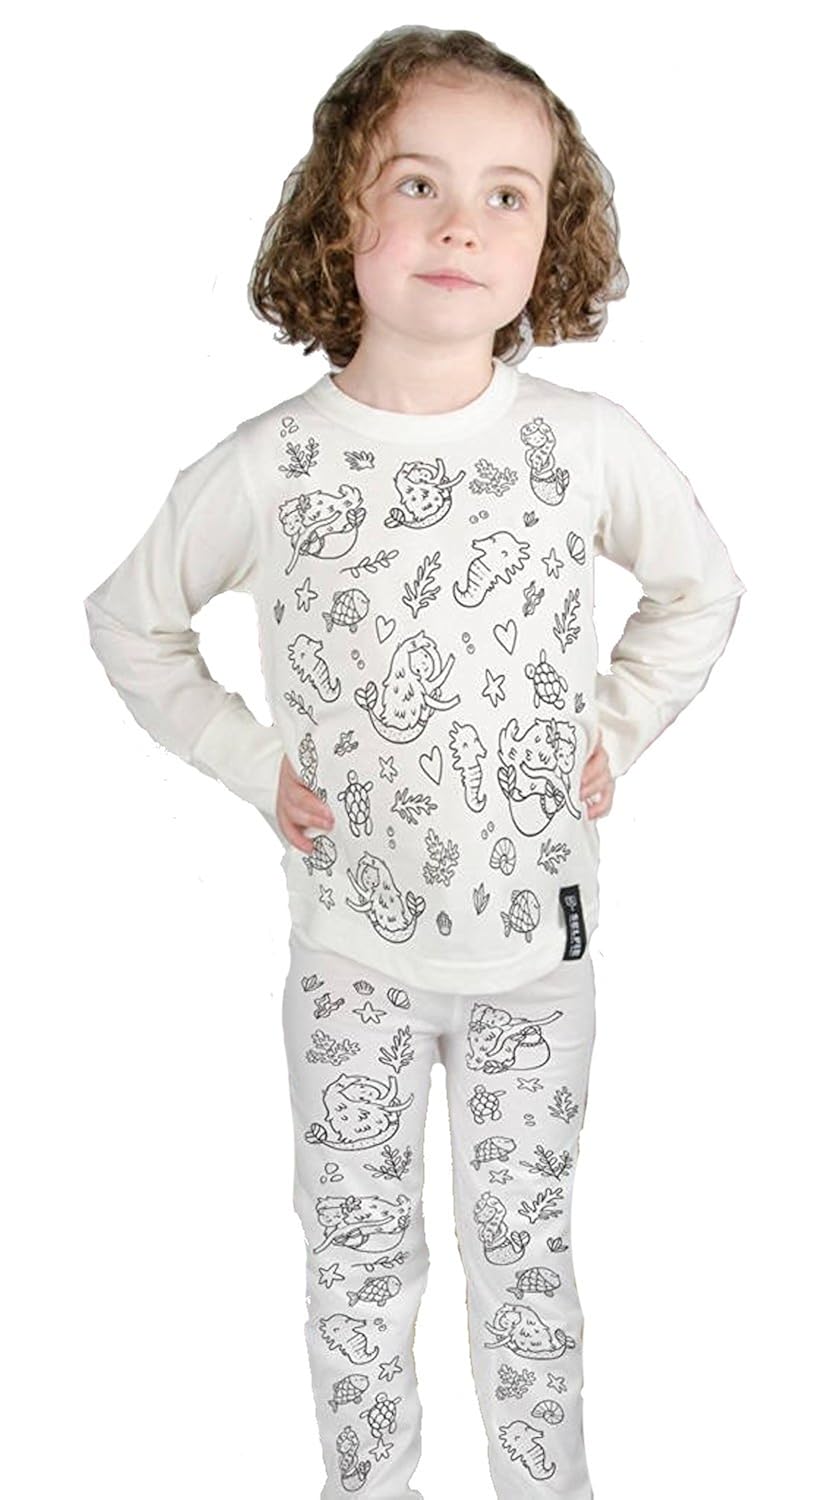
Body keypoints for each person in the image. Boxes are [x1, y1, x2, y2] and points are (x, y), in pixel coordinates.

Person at [82, 25, 746, 1500]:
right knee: (356, 1261)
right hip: (351, 963)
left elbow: (699, 591)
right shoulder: (270, 466)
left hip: (533, 958)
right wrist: (248, 760)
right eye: (418, 184)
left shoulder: (582, 446)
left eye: (509, 195)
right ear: (340, 212)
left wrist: (612, 729)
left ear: (552, 234)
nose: (462, 225)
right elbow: (132, 624)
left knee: (524, 1265)